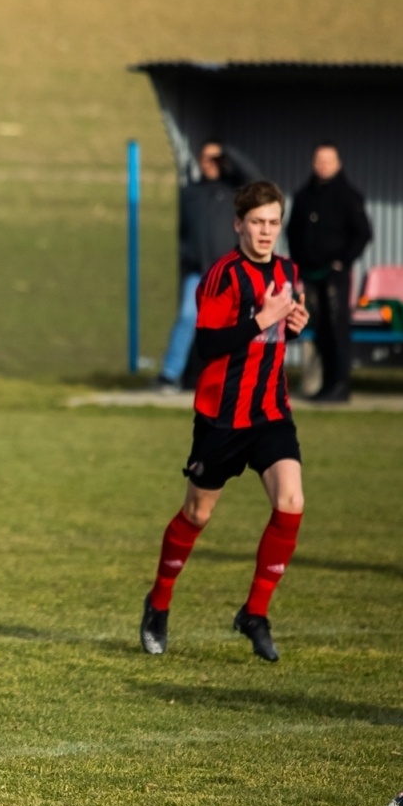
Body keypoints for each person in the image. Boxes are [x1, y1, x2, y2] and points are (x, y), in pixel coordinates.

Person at [138, 182, 310, 663]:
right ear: (238, 224)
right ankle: (159, 601)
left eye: (274, 222)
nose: (266, 231)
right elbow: (210, 346)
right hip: (220, 419)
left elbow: (276, 336)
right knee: (197, 515)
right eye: (257, 222)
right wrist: (263, 317)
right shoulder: (221, 277)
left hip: (271, 411)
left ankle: (254, 613)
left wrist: (293, 325)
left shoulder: (288, 271)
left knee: (291, 501)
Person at [157, 139, 260, 391]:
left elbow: (256, 179)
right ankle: (170, 375)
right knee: (187, 319)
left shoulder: (235, 191)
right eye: (206, 158)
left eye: (216, 159)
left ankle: (237, 378)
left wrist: (228, 153)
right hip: (197, 271)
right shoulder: (190, 193)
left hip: (227, 272)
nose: (210, 164)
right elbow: (182, 231)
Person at [286, 141, 372, 403]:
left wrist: (342, 261)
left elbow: (363, 234)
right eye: (319, 161)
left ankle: (340, 384)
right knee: (320, 329)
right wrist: (297, 263)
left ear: (338, 164)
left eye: (328, 161)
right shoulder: (303, 196)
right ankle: (326, 384)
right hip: (309, 273)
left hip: (334, 274)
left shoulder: (348, 196)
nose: (323, 166)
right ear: (313, 164)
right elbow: (292, 232)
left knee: (337, 328)